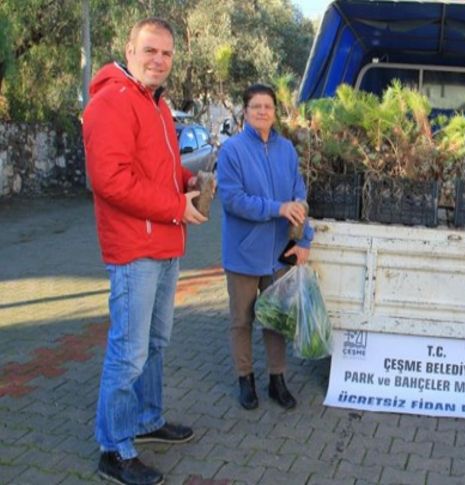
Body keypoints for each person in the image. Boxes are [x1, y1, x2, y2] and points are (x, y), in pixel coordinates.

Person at [83, 17, 205, 485]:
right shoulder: (110, 102)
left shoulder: (157, 104)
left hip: (165, 241)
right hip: (135, 248)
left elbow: (163, 171)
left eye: (167, 54)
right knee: (128, 352)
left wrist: (189, 183)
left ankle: (147, 419)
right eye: (150, 50)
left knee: (155, 344)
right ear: (129, 50)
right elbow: (109, 181)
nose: (159, 60)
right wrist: (176, 204)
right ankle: (112, 449)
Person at [216, 84, 313, 411]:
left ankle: (277, 380)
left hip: (277, 254)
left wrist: (304, 239)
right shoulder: (231, 151)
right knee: (241, 320)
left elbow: (299, 198)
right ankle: (245, 379)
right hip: (243, 254)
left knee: (275, 318)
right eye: (255, 106)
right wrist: (277, 208)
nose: (262, 112)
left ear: (275, 112)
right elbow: (232, 200)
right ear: (245, 111)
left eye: (267, 106)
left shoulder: (287, 150)